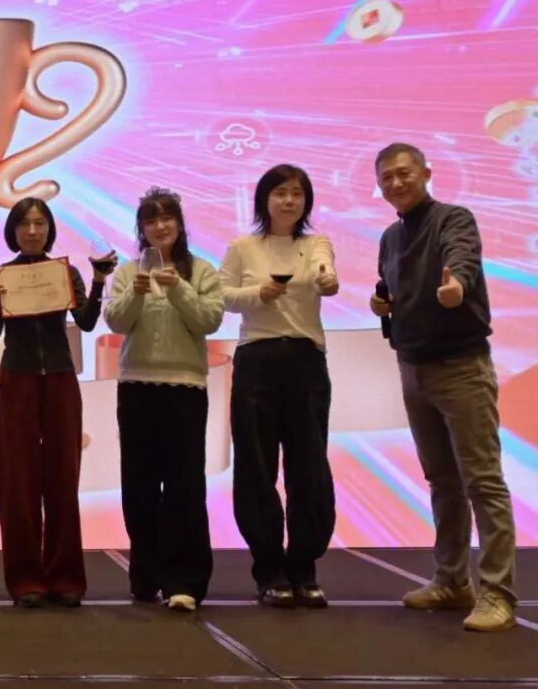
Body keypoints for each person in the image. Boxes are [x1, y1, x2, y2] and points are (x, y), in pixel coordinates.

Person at [371, 142, 517, 632]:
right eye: (387, 177)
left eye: (404, 173)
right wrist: (382, 306)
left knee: (483, 480)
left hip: (461, 366)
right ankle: (452, 581)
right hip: (413, 366)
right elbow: (390, 289)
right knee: (442, 481)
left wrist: (458, 287)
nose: (396, 183)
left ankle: (497, 593)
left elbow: (462, 261)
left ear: (426, 173)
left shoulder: (454, 219)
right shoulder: (390, 237)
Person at [0, 197, 114, 608]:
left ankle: (65, 575)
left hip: (59, 376)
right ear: (13, 231)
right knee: (17, 480)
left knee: (63, 476)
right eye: (24, 224)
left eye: (40, 223)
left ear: (50, 229)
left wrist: (98, 281)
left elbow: (87, 322)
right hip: (17, 377)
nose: (33, 231)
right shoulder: (0, 275)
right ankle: (25, 579)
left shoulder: (65, 272)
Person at [219, 164, 337, 609]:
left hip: (306, 362)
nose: (289, 201)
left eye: (297, 194)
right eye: (280, 193)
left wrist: (328, 280)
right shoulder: (243, 247)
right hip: (257, 360)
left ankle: (304, 566)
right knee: (256, 467)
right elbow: (223, 297)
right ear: (264, 199)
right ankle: (269, 569)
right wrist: (259, 295)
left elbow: (326, 272)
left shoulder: (316, 243)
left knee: (309, 466)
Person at [103, 187, 223, 611]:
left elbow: (210, 320)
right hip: (136, 386)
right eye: (150, 221)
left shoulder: (201, 271)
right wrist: (135, 293)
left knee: (184, 485)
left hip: (185, 387)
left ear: (180, 223)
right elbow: (116, 321)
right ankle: (146, 574)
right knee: (138, 485)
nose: (160, 226)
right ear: (141, 229)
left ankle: (184, 580)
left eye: (167, 218)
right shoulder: (127, 272)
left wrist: (179, 290)